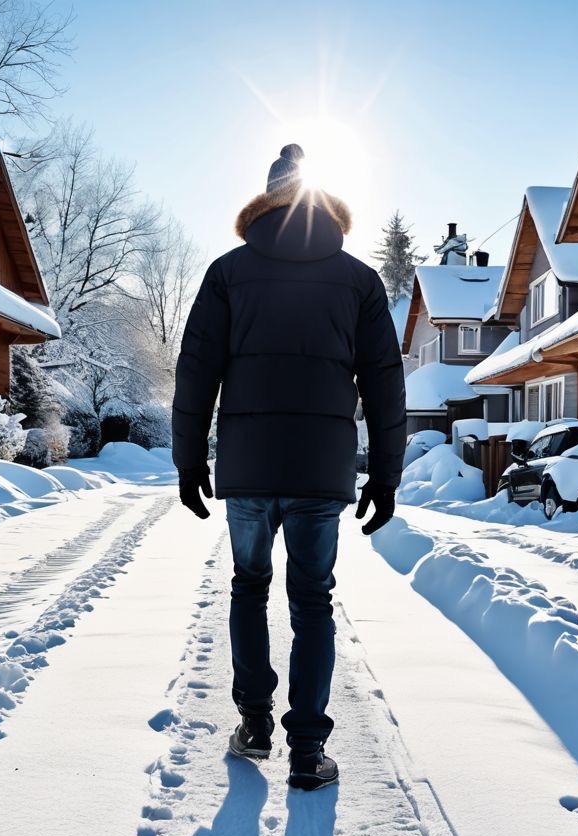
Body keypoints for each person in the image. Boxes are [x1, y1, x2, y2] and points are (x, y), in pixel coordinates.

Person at [171, 143, 406, 791]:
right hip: (319, 473)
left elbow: (196, 371)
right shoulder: (358, 280)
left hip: (247, 471)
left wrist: (189, 461)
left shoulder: (228, 272)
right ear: (324, 204)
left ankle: (253, 728)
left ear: (267, 199)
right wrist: (386, 474)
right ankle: (308, 752)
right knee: (312, 603)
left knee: (249, 588)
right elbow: (385, 382)